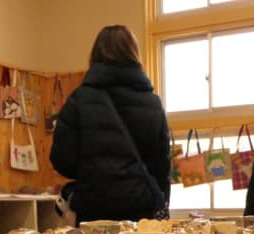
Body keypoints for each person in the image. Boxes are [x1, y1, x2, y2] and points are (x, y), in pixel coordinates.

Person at [50, 25, 170, 223]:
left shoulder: (79, 99)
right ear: (134, 54)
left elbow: (62, 161)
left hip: (94, 206)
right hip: (140, 207)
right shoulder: (153, 103)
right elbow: (162, 166)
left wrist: (91, 170)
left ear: (95, 54)